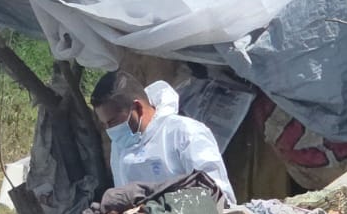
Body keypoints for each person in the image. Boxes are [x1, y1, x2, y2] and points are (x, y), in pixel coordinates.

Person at [90, 71, 237, 205]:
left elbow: (218, 197)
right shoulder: (119, 147)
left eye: (113, 122)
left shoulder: (184, 132)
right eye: (105, 124)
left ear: (138, 108)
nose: (110, 130)